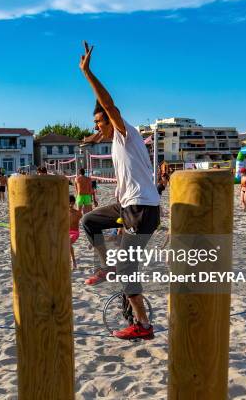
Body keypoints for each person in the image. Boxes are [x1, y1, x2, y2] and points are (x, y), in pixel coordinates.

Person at [79, 41, 160, 340]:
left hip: (142, 210)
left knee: (127, 268)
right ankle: (105, 268)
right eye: (97, 122)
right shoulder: (112, 139)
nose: (100, 125)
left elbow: (109, 107)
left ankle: (143, 325)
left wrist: (88, 73)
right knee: (89, 221)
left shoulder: (126, 133)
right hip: (128, 208)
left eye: (102, 120)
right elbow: (97, 132)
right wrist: (90, 138)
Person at [69, 195, 83, 269]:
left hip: (75, 233)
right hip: (66, 232)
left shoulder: (78, 213)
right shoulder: (63, 212)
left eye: (71, 203)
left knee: (68, 242)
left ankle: (73, 261)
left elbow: (84, 222)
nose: (70, 205)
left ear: (74, 203)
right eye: (68, 203)